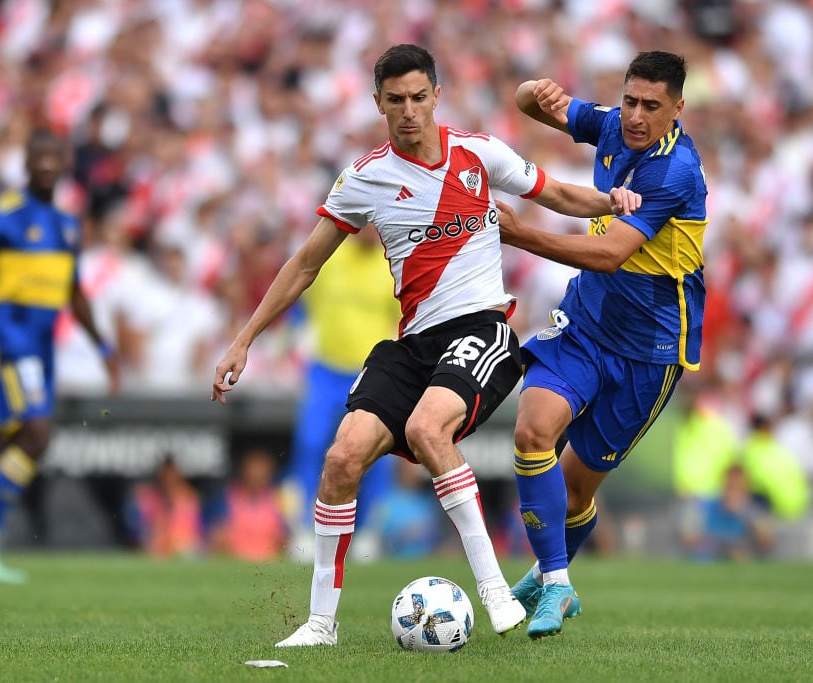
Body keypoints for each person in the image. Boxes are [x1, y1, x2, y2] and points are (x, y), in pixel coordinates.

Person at [211, 44, 639, 647]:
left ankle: (493, 592)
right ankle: (320, 625)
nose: (409, 111)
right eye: (396, 100)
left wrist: (613, 200)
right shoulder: (365, 178)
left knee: (426, 430)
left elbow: (556, 194)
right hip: (413, 344)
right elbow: (306, 263)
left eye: (419, 97)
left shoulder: (479, 153)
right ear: (378, 103)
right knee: (340, 460)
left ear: (436, 95)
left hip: (482, 329)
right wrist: (244, 338)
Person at [496, 50, 709, 638]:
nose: (636, 116)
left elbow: (609, 253)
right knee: (532, 429)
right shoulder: (613, 126)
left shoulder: (674, 172)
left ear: (678, 109)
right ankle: (558, 583)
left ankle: (548, 575)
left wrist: (519, 234)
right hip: (586, 323)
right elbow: (525, 103)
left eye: (652, 106)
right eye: (630, 101)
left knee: (572, 491)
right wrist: (536, 90)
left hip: (649, 352)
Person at [0, 129, 120, 583]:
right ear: (26, 164)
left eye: (55, 157)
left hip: (42, 348)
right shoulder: (6, 216)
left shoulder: (67, 224)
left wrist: (103, 345)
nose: (47, 164)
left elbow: (74, 293)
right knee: (36, 433)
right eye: (39, 157)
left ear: (64, 164)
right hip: (9, 341)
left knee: (11, 439)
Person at [280, 224, 400, 562]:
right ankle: (302, 529)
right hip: (324, 370)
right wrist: (281, 348)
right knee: (310, 444)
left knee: (375, 454)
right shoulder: (330, 258)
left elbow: (404, 322)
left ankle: (368, 535)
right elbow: (298, 304)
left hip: (371, 373)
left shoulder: (392, 266)